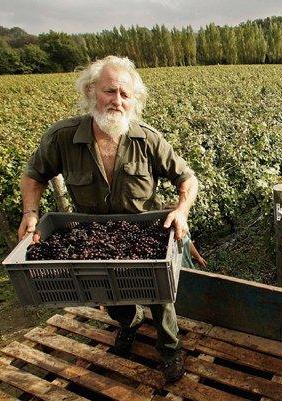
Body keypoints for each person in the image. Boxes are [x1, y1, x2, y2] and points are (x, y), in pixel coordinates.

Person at [17, 55, 199, 384]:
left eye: (125, 94)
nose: (117, 101)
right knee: (108, 291)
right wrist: (30, 213)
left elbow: (187, 178)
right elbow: (34, 175)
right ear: (91, 92)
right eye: (109, 91)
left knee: (160, 296)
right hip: (91, 238)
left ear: (134, 101)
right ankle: (128, 324)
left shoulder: (149, 140)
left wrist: (180, 209)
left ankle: (170, 346)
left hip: (145, 234)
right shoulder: (63, 137)